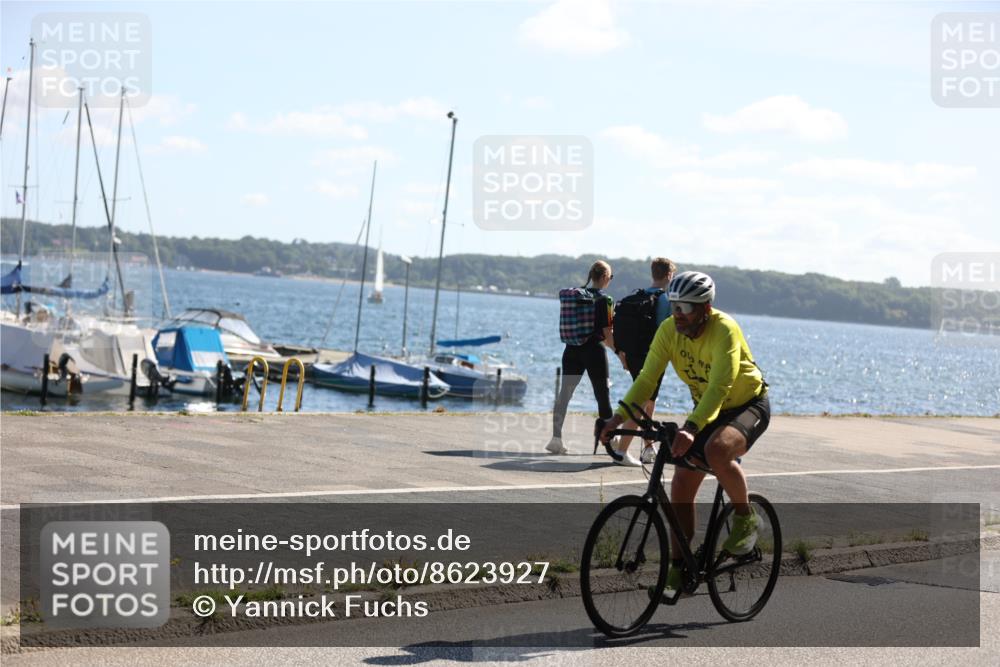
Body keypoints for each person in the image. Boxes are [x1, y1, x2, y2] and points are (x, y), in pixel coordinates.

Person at [598, 271, 769, 597]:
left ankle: (747, 518)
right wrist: (617, 416)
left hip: (747, 404)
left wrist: (691, 428)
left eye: (686, 307)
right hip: (706, 410)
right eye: (674, 306)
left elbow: (721, 385)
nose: (677, 313)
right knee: (680, 487)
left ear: (705, 308)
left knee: (718, 451)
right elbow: (647, 379)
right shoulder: (668, 330)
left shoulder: (724, 330)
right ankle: (680, 570)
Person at [609, 257, 675, 466]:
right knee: (642, 402)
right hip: (652, 357)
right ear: (669, 275)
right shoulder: (665, 300)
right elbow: (669, 331)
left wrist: (622, 354)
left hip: (633, 355)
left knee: (649, 401)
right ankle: (622, 451)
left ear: (652, 273)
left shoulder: (638, 296)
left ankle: (648, 448)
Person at [547, 260, 616, 455]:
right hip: (594, 350)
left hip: (571, 349)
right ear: (603, 278)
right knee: (602, 395)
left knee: (564, 395)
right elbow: (608, 334)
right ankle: (612, 442)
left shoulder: (577, 296)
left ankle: (555, 439)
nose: (610, 280)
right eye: (610, 277)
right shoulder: (605, 300)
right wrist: (619, 354)